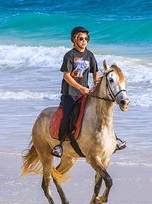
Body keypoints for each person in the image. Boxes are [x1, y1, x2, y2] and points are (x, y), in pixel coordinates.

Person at [51, 26, 126, 158]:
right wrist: (80, 88)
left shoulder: (89, 55)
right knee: (67, 115)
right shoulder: (70, 56)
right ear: (74, 39)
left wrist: (95, 87)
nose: (84, 41)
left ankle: (114, 139)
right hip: (70, 93)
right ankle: (60, 145)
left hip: (85, 93)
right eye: (81, 38)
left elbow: (96, 73)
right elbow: (66, 76)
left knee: (101, 115)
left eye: (86, 38)